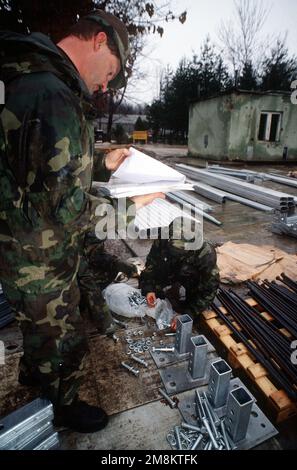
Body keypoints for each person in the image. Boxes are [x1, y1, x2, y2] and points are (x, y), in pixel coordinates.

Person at [0, 10, 163, 433]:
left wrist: (102, 165)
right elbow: (68, 209)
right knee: (64, 335)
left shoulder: (33, 79)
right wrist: (134, 205)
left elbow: (43, 168)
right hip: (42, 257)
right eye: (110, 71)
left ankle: (37, 379)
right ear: (98, 41)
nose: (106, 85)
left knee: (37, 332)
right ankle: (65, 407)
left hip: (22, 246)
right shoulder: (54, 94)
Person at [139, 221, 219, 325]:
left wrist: (188, 314)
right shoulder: (163, 239)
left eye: (181, 250)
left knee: (195, 306)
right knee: (155, 291)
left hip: (190, 276)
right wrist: (149, 288)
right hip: (170, 269)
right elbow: (151, 264)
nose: (176, 252)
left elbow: (209, 289)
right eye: (174, 249)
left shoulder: (206, 254)